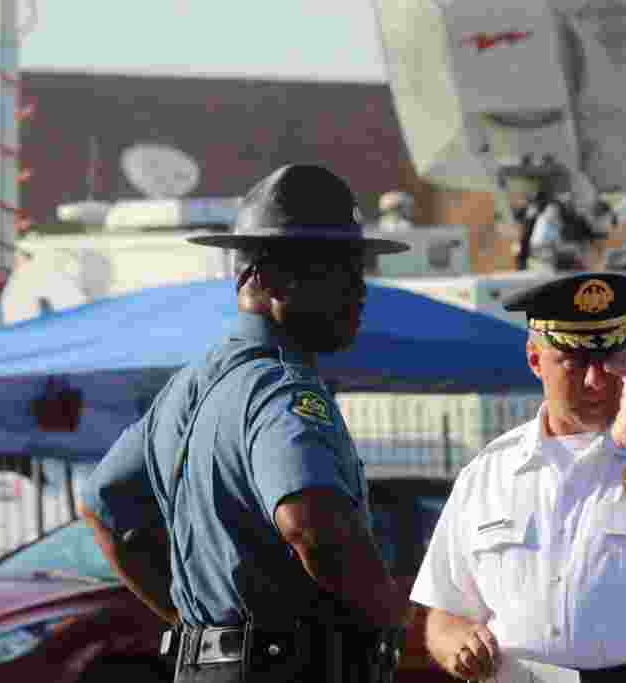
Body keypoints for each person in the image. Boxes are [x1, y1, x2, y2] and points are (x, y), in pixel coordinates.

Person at [78, 164, 414, 683]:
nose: (361, 290)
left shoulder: (189, 385)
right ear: (269, 276)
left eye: (360, 269)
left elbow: (103, 507)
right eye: (341, 269)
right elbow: (311, 527)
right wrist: (394, 616)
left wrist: (198, 627)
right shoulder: (282, 389)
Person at [410, 272, 626, 682]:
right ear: (534, 360)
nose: (596, 380)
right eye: (575, 361)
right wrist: (458, 642)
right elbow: (446, 614)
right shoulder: (490, 471)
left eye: (610, 361)